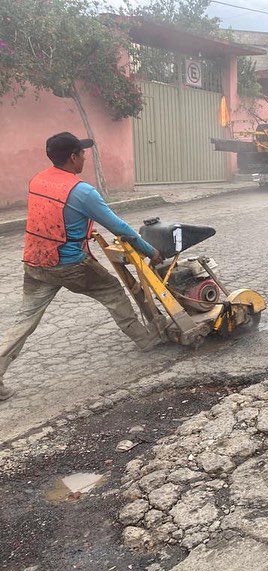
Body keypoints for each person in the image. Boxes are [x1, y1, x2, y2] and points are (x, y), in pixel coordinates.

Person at [0, 132, 164, 401]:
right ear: (73, 157)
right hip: (69, 264)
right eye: (82, 153)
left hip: (35, 260)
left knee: (25, 320)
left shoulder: (37, 180)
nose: (85, 158)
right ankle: (147, 340)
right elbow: (118, 227)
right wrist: (150, 251)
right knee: (112, 290)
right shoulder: (82, 191)